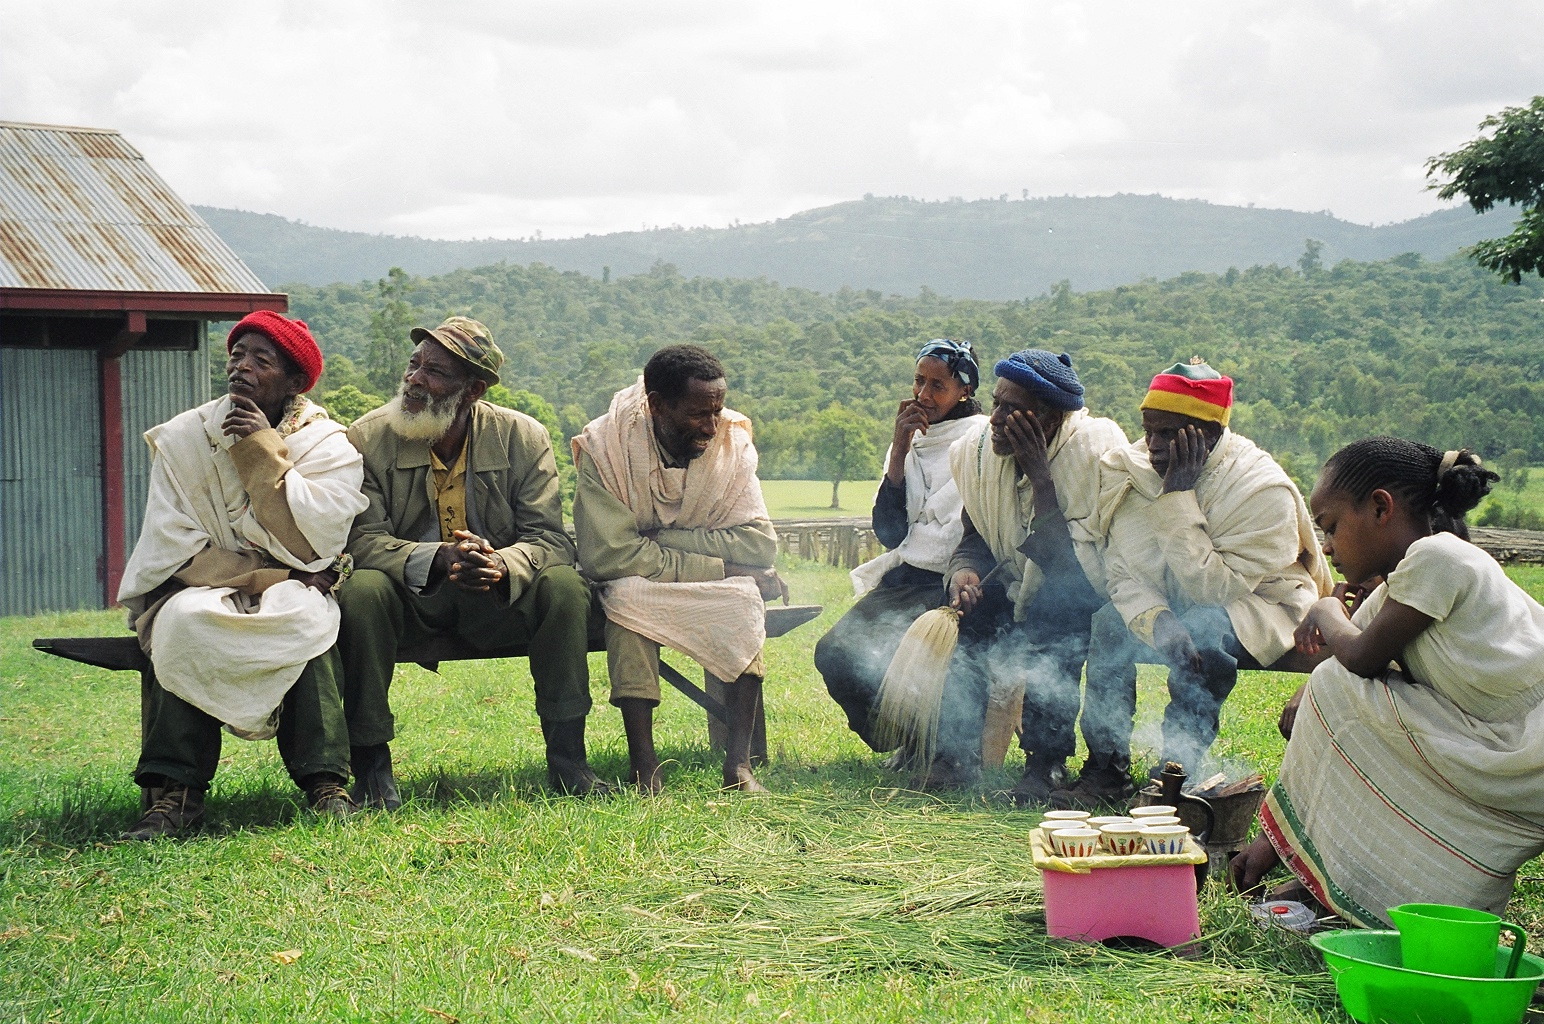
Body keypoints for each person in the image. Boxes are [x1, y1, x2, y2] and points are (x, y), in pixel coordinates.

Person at [1231, 438, 1544, 924]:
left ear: (1380, 507)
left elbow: (1358, 658)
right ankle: (1338, 883)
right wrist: (1267, 844)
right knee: (1334, 694)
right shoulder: (1402, 586)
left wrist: (1326, 608)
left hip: (1530, 743)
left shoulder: (1440, 557)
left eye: (1331, 526)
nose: (1328, 546)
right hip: (1505, 744)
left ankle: (1338, 885)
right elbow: (1347, 673)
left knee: (1335, 689)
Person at [117, 311, 369, 840]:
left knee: (305, 621)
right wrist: (264, 575)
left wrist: (259, 450)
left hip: (294, 589)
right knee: (183, 623)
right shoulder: (187, 438)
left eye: (261, 359)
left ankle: (326, 784)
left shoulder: (327, 445)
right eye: (236, 355)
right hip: (203, 585)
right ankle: (175, 794)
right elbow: (172, 543)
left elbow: (317, 542)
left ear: (295, 382)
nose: (241, 368)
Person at [337, 316, 607, 805]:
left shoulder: (522, 436)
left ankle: (569, 762)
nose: (415, 379)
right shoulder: (367, 437)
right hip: (412, 602)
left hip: (498, 599)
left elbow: (550, 538)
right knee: (360, 591)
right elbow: (361, 541)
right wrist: (436, 558)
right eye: (414, 365)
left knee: (565, 586)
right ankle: (373, 771)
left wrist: (504, 564)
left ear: (473, 389)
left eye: (435, 372)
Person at [1054, 359, 1331, 806]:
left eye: (1171, 434)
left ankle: (1176, 776)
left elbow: (1213, 589)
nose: (1154, 446)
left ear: (1209, 434)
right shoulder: (1130, 468)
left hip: (1257, 604)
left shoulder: (1260, 490)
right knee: (1108, 623)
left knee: (1204, 630)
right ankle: (1106, 769)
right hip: (1172, 601)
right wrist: (1159, 622)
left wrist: (1177, 493)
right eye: (1150, 430)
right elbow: (1121, 571)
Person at [572, 344, 782, 794]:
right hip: (636, 583)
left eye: (717, 410)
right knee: (628, 602)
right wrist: (719, 565)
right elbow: (606, 555)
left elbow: (760, 545)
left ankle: (739, 765)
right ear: (656, 405)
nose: (711, 426)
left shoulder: (731, 443)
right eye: (696, 414)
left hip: (686, 576)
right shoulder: (605, 447)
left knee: (744, 597)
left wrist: (662, 538)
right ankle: (645, 768)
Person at [933, 350, 1128, 796]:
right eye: (996, 403)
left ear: (1050, 419)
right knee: (969, 620)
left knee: (1053, 620)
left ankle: (1047, 764)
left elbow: (1073, 570)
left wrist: (1041, 476)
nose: (996, 419)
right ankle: (958, 755)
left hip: (1086, 593)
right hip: (1018, 584)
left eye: (1010, 409)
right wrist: (964, 571)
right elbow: (976, 535)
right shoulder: (981, 452)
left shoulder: (1093, 451)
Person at [814, 338, 987, 751]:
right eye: (918, 382)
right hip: (909, 574)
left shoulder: (981, 440)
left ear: (965, 390)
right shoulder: (909, 440)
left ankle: (938, 747)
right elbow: (891, 533)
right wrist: (899, 450)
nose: (923, 395)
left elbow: (978, 529)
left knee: (924, 654)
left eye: (937, 386)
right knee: (834, 651)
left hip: (956, 576)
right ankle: (901, 736)